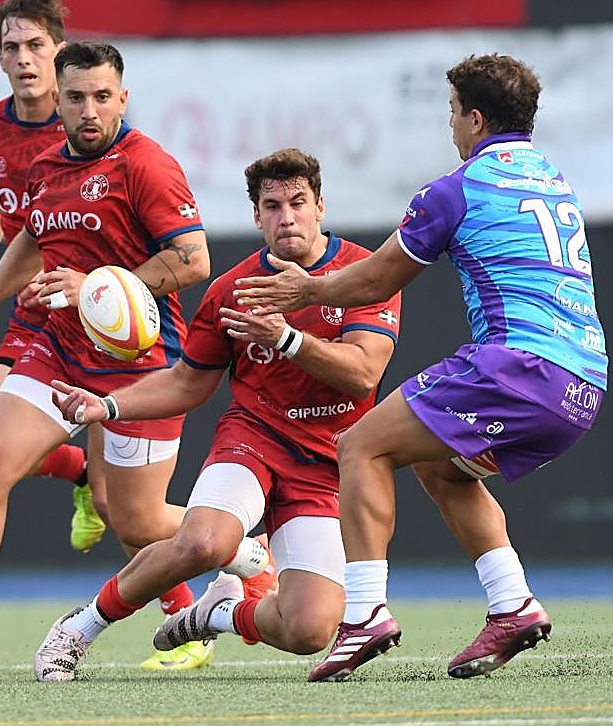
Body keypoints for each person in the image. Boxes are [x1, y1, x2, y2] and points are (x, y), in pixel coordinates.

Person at [235, 54, 607, 681]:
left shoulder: (456, 189)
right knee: (442, 467)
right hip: (584, 383)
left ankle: (363, 616)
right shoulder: (553, 181)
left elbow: (379, 276)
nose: (452, 126)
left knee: (358, 447)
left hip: (518, 367)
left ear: (476, 118)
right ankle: (511, 603)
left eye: (454, 112)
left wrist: (308, 293)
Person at [0, 40, 251, 674]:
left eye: (101, 96)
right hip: (58, 350)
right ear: (57, 101)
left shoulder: (147, 165)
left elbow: (194, 261)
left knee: (138, 521)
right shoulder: (45, 166)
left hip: (138, 364)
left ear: (123, 97)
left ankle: (248, 557)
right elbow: (33, 239)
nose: (89, 109)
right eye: (76, 97)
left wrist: (92, 286)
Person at [33, 148, 401, 680]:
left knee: (309, 630)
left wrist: (289, 339)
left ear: (321, 205)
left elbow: (365, 372)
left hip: (326, 464)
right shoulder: (231, 289)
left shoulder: (363, 274)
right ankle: (76, 630)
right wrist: (108, 405)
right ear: (256, 216)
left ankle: (216, 613)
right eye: (272, 206)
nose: (287, 217)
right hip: (253, 441)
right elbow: (187, 382)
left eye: (298, 202)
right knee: (205, 542)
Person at [0, 0, 104, 553]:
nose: (23, 58)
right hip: (34, 314)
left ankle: (216, 583)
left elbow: (63, 231)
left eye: (36, 45)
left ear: (60, 51)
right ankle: (80, 472)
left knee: (126, 504)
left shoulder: (85, 129)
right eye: (11, 47)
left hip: (96, 314)